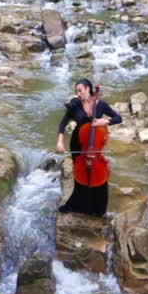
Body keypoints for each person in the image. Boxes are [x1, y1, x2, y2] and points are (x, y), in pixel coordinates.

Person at [56, 79, 122, 216]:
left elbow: (118, 118)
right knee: (80, 176)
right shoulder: (75, 106)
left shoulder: (101, 104)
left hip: (95, 145)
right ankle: (76, 204)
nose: (78, 94)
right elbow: (63, 124)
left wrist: (105, 121)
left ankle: (97, 208)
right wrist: (60, 141)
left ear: (88, 89)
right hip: (78, 143)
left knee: (99, 176)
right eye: (76, 91)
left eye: (80, 90)